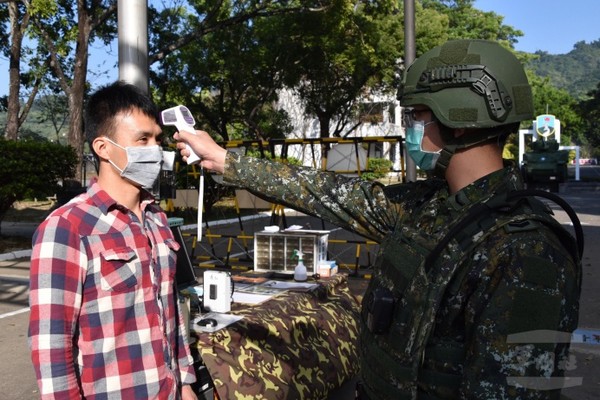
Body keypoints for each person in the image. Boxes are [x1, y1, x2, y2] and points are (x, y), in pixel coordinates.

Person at [175, 39, 582, 399]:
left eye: (419, 117)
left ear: (459, 123)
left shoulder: (525, 251)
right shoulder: (429, 207)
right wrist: (226, 161)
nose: (411, 130)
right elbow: (327, 192)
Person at [28, 81, 198, 399]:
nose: (154, 150)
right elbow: (51, 345)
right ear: (103, 148)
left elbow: (170, 308)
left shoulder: (158, 219)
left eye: (157, 139)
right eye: (142, 140)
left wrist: (185, 382)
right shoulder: (67, 228)